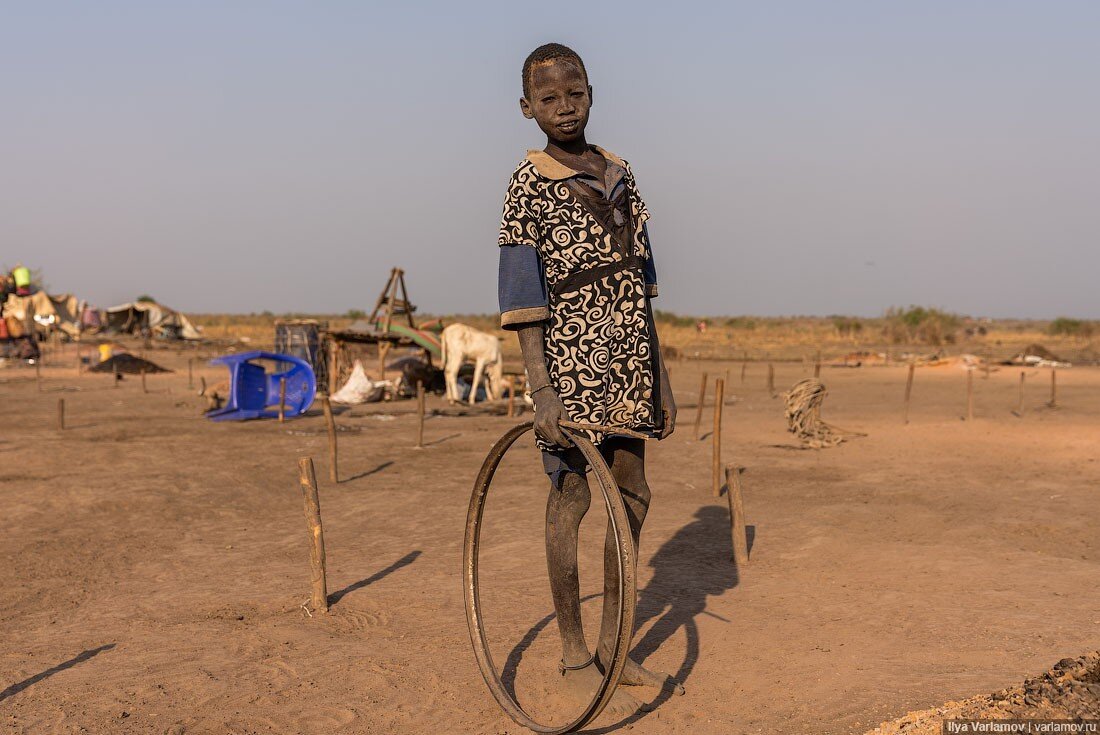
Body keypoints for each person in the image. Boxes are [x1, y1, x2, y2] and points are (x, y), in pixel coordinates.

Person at [496, 43, 681, 718]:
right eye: (547, 98)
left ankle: (615, 643)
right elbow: (522, 299)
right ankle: (574, 648)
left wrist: (658, 373)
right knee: (572, 496)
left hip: (631, 357)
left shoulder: (621, 172)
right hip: (569, 368)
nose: (563, 106)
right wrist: (541, 390)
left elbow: (643, 280)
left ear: (591, 92)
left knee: (632, 493)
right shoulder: (528, 184)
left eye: (573, 93)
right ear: (527, 109)